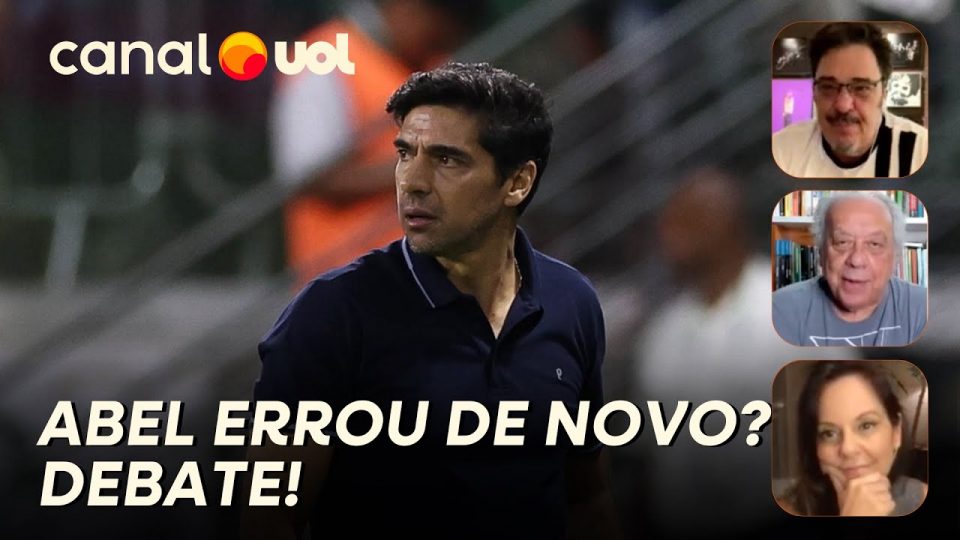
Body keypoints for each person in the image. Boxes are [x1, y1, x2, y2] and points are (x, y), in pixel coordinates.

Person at [250, 63, 619, 539]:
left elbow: (587, 498)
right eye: (405, 153)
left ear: (517, 183)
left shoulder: (572, 302)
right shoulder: (331, 314)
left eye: (447, 160)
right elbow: (270, 518)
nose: (412, 181)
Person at [620, 168, 853, 537]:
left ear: (725, 222)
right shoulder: (664, 332)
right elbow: (649, 449)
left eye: (684, 220)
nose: (666, 233)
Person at [270, 0, 485, 285]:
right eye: (439, 25)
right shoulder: (324, 58)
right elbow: (314, 177)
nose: (445, 38)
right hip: (346, 284)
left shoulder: (434, 64)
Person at [772, 22, 928, 178]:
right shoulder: (782, 149)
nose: (843, 105)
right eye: (828, 87)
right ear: (814, 92)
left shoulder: (919, 150)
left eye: (861, 88)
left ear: (884, 92)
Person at [773, 191, 926, 346]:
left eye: (874, 244)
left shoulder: (924, 308)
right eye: (842, 242)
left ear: (896, 256)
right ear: (821, 252)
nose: (856, 260)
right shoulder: (780, 310)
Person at [777, 361, 927, 516]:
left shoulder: (920, 497)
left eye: (866, 426)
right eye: (829, 434)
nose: (848, 449)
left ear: (896, 433)